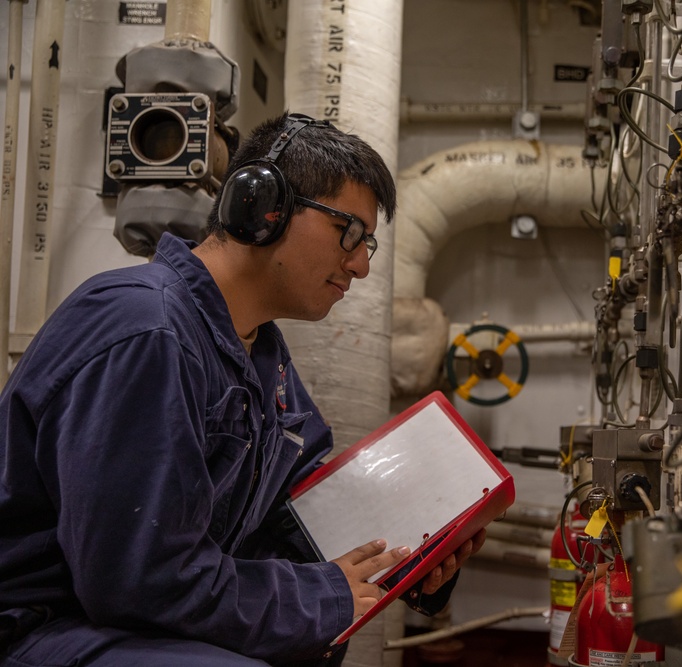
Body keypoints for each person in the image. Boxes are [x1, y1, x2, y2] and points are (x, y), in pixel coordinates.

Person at [0, 112, 486, 666]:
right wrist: (323, 596)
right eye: (348, 232)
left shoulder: (262, 353)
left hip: (115, 622)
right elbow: (137, 579)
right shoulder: (147, 330)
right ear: (263, 208)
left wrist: (408, 558)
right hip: (41, 627)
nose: (359, 266)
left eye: (366, 244)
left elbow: (303, 511)